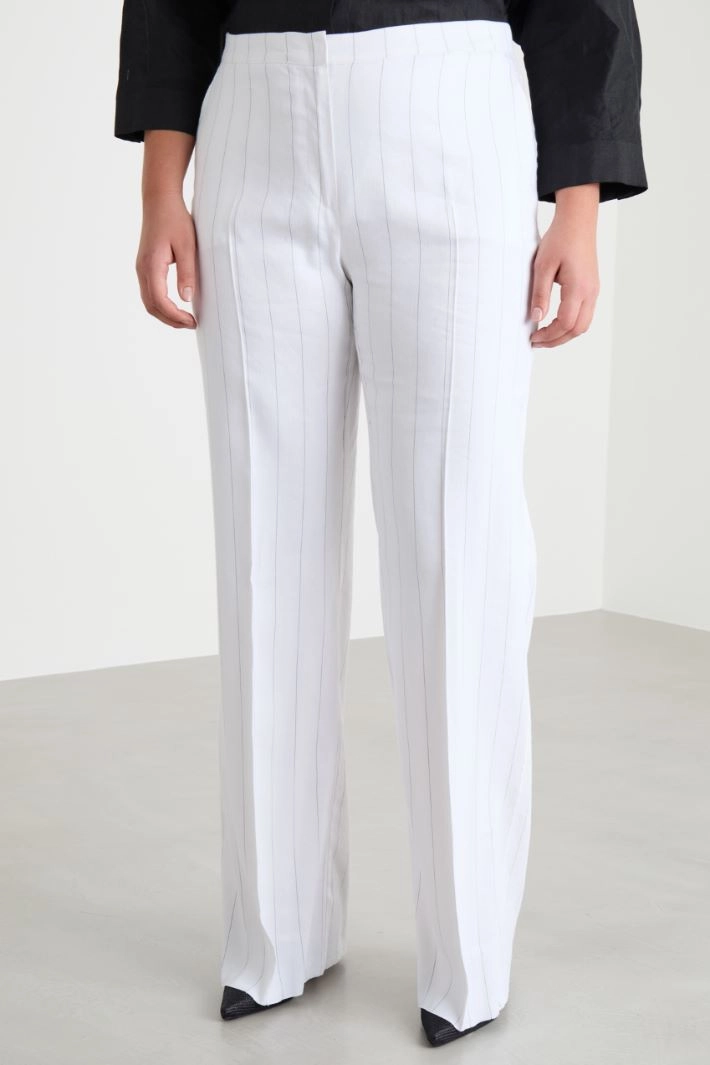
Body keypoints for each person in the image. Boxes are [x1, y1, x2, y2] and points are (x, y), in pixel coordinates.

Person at [113, 0, 648, 1048]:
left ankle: (466, 955)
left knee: (457, 548)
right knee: (263, 548)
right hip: (255, 112)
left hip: (449, 100)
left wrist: (577, 211)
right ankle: (276, 934)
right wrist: (159, 190)